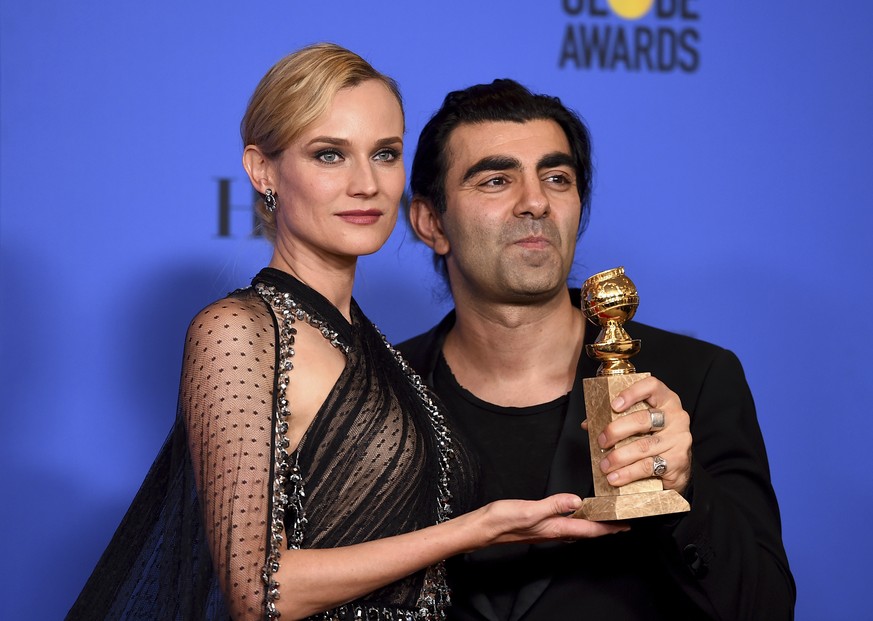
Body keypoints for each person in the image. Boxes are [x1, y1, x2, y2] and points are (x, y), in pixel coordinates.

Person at [66, 47, 625, 621]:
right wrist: (472, 531)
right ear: (262, 171)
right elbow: (259, 591)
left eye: (385, 154)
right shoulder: (239, 331)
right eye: (330, 155)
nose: (367, 184)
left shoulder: (375, 347)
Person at [399, 79, 796, 620]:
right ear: (431, 222)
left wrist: (686, 491)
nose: (535, 201)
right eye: (495, 180)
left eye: (556, 178)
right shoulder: (379, 388)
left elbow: (766, 609)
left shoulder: (696, 378)